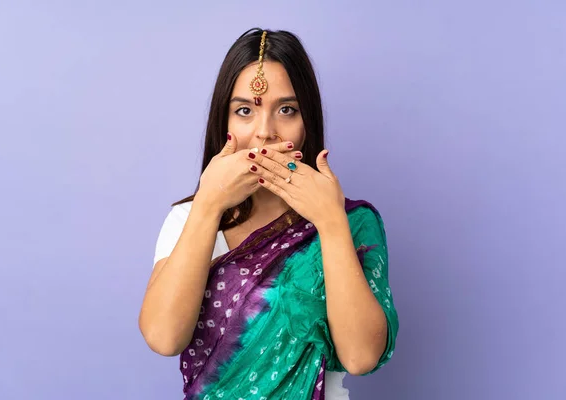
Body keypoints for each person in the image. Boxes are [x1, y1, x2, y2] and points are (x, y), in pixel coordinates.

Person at [139, 28, 399, 400]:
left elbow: (360, 358)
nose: (265, 133)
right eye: (245, 110)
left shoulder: (352, 223)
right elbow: (164, 337)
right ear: (223, 123)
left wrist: (330, 223)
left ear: (307, 122)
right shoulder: (189, 218)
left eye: (287, 110)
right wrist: (209, 205)